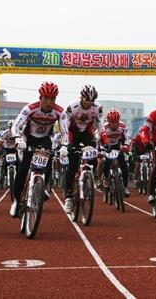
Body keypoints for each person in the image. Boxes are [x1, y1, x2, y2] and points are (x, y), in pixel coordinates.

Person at [9, 81, 65, 217]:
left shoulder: (60, 111)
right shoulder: (30, 108)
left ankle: (42, 186)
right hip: (29, 138)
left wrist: (64, 146)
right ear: (40, 98)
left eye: (52, 98)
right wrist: (17, 138)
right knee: (23, 169)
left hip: (45, 139)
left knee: (49, 160)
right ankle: (16, 201)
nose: (49, 101)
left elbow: (65, 132)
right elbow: (16, 125)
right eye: (46, 98)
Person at [60, 84, 103, 214]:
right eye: (86, 100)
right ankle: (68, 197)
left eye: (91, 101)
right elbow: (64, 126)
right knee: (72, 165)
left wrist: (101, 142)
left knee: (96, 158)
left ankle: (89, 178)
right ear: (81, 97)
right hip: (72, 132)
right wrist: (65, 143)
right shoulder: (72, 107)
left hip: (86, 133)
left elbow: (100, 126)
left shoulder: (98, 108)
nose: (89, 103)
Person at [99, 108, 131, 197]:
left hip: (118, 145)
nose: (114, 124)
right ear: (108, 121)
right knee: (106, 163)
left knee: (124, 166)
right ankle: (106, 178)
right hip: (107, 146)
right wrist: (101, 149)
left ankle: (125, 187)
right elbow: (98, 140)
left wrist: (126, 146)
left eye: (115, 122)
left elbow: (127, 138)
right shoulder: (103, 128)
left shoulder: (123, 126)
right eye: (111, 122)